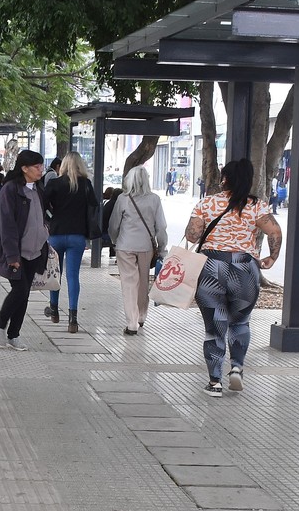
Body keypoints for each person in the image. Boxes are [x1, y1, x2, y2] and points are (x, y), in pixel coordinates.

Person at [184, 158, 284, 397]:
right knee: (240, 322)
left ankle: (215, 382)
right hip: (245, 268)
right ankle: (237, 368)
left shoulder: (207, 203)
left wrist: (200, 227)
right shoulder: (257, 206)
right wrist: (272, 257)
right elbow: (275, 231)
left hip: (211, 267)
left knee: (214, 326)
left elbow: (192, 236)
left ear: (225, 178)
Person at [0, 149, 49, 350]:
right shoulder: (11, 189)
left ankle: (14, 335)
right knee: (19, 290)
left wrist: (46, 230)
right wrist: (12, 255)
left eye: (41, 166)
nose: (41, 170)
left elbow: (43, 215)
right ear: (24, 168)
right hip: (16, 252)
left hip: (35, 250)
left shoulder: (38, 188)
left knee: (24, 293)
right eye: (37, 167)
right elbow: (7, 224)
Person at [42, 151, 98, 334]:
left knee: (55, 272)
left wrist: (51, 218)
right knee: (73, 276)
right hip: (77, 236)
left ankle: (54, 310)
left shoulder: (54, 183)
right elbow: (94, 206)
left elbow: (42, 205)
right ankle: (73, 319)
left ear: (63, 165)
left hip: (56, 234)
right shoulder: (86, 185)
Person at [108, 165, 168, 335]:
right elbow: (161, 226)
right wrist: (162, 247)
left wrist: (115, 240)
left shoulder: (122, 199)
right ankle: (141, 316)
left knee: (128, 284)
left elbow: (114, 225)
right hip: (146, 247)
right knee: (143, 283)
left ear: (130, 181)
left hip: (125, 246)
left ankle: (131, 322)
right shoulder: (154, 199)